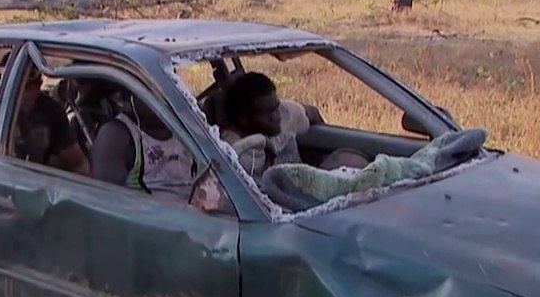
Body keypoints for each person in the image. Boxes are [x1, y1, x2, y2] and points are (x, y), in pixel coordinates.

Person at [220, 72, 370, 177]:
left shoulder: (286, 112)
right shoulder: (234, 153)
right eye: (266, 113)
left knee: (350, 159)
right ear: (244, 120)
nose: (276, 116)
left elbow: (312, 113)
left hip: (309, 187)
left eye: (276, 108)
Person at [89, 89, 197, 203]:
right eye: (153, 93)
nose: (163, 99)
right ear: (132, 97)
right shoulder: (116, 135)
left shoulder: (186, 130)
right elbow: (108, 202)